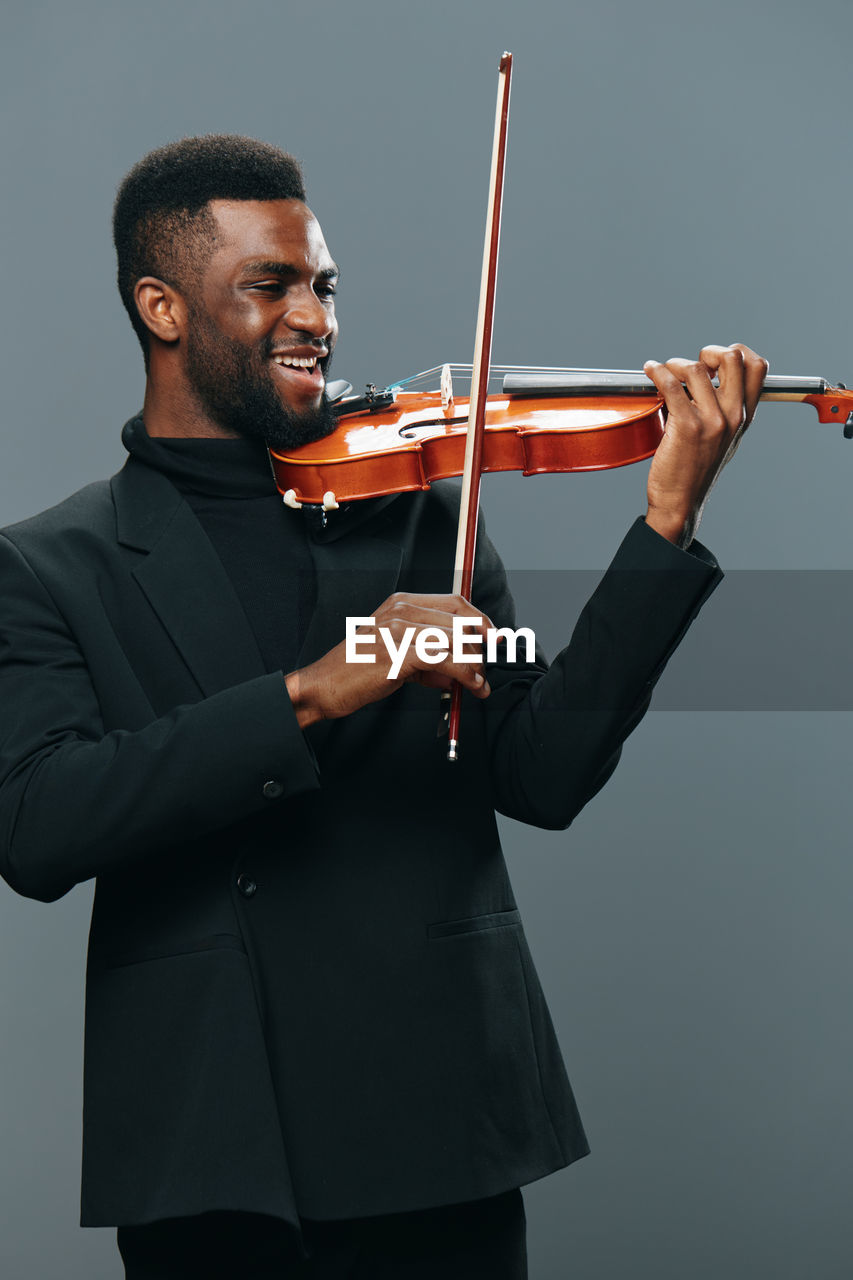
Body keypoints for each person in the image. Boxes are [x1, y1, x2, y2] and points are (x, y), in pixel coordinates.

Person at [0, 135, 767, 1279]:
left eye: (324, 284)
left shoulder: (418, 511)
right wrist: (319, 689)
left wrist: (661, 527)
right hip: (216, 1138)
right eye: (270, 285)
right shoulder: (51, 564)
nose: (315, 315)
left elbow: (540, 772)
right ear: (162, 307)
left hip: (436, 1110)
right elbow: (40, 823)